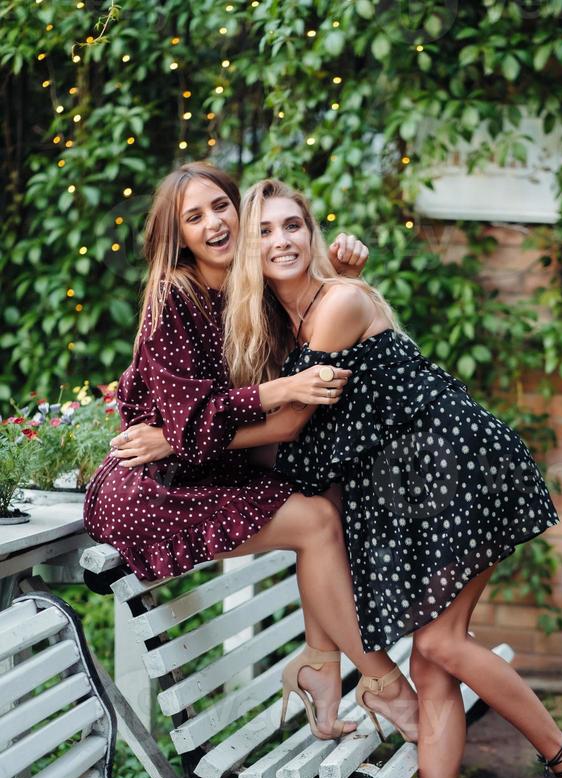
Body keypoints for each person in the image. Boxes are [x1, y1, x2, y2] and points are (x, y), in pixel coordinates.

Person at [222, 177, 562, 778]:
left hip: (452, 465)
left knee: (440, 642)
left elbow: (291, 435)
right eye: (264, 230)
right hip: (409, 492)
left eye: (293, 225)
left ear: (313, 233)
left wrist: (191, 438)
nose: (281, 240)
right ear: (247, 248)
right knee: (433, 657)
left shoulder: (338, 304)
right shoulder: (283, 331)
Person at [83, 161, 419, 744]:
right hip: (152, 485)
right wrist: (279, 391)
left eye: (221, 206)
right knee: (315, 521)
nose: (214, 223)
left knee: (321, 493)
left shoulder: (248, 290)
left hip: (202, 462)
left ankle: (320, 669)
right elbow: (201, 415)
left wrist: (338, 275)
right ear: (178, 236)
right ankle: (388, 687)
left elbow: (309, 331)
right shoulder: (174, 297)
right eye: (195, 217)